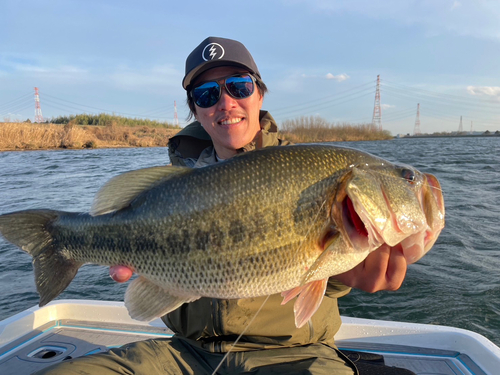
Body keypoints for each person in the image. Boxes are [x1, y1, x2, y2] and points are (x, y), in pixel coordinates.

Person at [37, 37, 410, 375]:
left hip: (295, 355)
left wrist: (347, 275)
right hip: (184, 355)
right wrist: (146, 268)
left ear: (259, 95)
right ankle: (63, 243)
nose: (225, 102)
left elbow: (326, 275)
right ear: (196, 111)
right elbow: (153, 294)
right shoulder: (174, 187)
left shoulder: (310, 173)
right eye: (206, 95)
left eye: (239, 86)